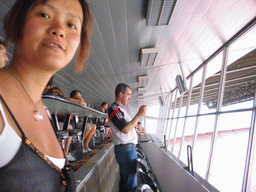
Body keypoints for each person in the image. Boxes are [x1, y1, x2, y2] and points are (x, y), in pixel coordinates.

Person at [0, 0, 93, 191]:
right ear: (18, 22)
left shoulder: (44, 111)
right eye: (44, 15)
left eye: (71, 25)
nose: (59, 30)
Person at [108, 83, 147, 192]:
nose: (130, 98)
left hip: (127, 149)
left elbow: (128, 126)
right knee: (130, 183)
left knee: (126, 182)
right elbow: (125, 129)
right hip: (125, 149)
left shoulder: (120, 109)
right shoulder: (114, 109)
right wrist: (139, 114)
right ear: (121, 94)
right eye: (128, 95)